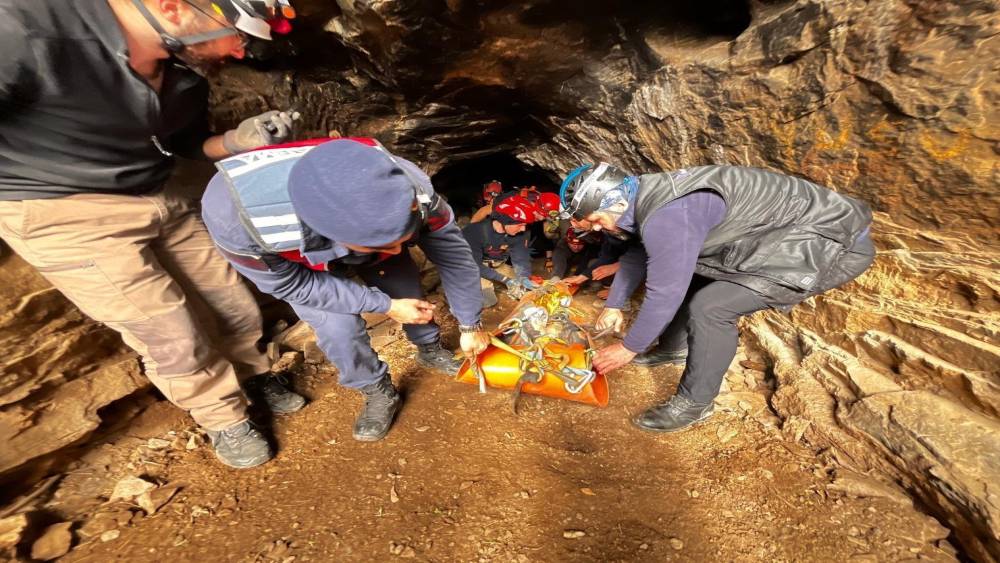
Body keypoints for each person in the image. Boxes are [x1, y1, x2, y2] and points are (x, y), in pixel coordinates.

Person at [0, 0, 307, 469]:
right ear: (172, 8)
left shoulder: (181, 70)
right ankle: (223, 415)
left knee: (228, 296)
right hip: (62, 213)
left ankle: (254, 374)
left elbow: (184, 142)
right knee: (168, 330)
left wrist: (239, 141)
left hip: (159, 190)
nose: (241, 54)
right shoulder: (24, 26)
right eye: (236, 35)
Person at [201, 138, 491, 443]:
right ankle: (376, 389)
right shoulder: (241, 223)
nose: (396, 250)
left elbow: (454, 256)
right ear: (331, 237)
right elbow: (293, 285)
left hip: (353, 233)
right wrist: (385, 305)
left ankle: (430, 349)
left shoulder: (410, 187)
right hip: (300, 266)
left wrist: (470, 323)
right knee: (339, 327)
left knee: (402, 282)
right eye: (382, 244)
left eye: (401, 240)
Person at [560, 163, 875, 432]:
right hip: (782, 239)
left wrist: (629, 347)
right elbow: (638, 254)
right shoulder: (649, 197)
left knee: (711, 308)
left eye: (597, 219)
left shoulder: (668, 215)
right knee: (693, 277)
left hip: (827, 248)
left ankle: (695, 404)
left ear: (614, 201)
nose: (600, 227)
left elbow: (665, 291)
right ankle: (672, 349)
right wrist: (615, 304)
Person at [462, 193, 540, 306]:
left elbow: (521, 258)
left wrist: (523, 277)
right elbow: (474, 265)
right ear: (505, 220)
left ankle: (494, 284)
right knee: (488, 300)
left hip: (498, 265)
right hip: (475, 267)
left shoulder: (520, 233)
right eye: (520, 225)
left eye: (525, 225)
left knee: (526, 289)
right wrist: (504, 279)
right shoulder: (474, 232)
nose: (523, 229)